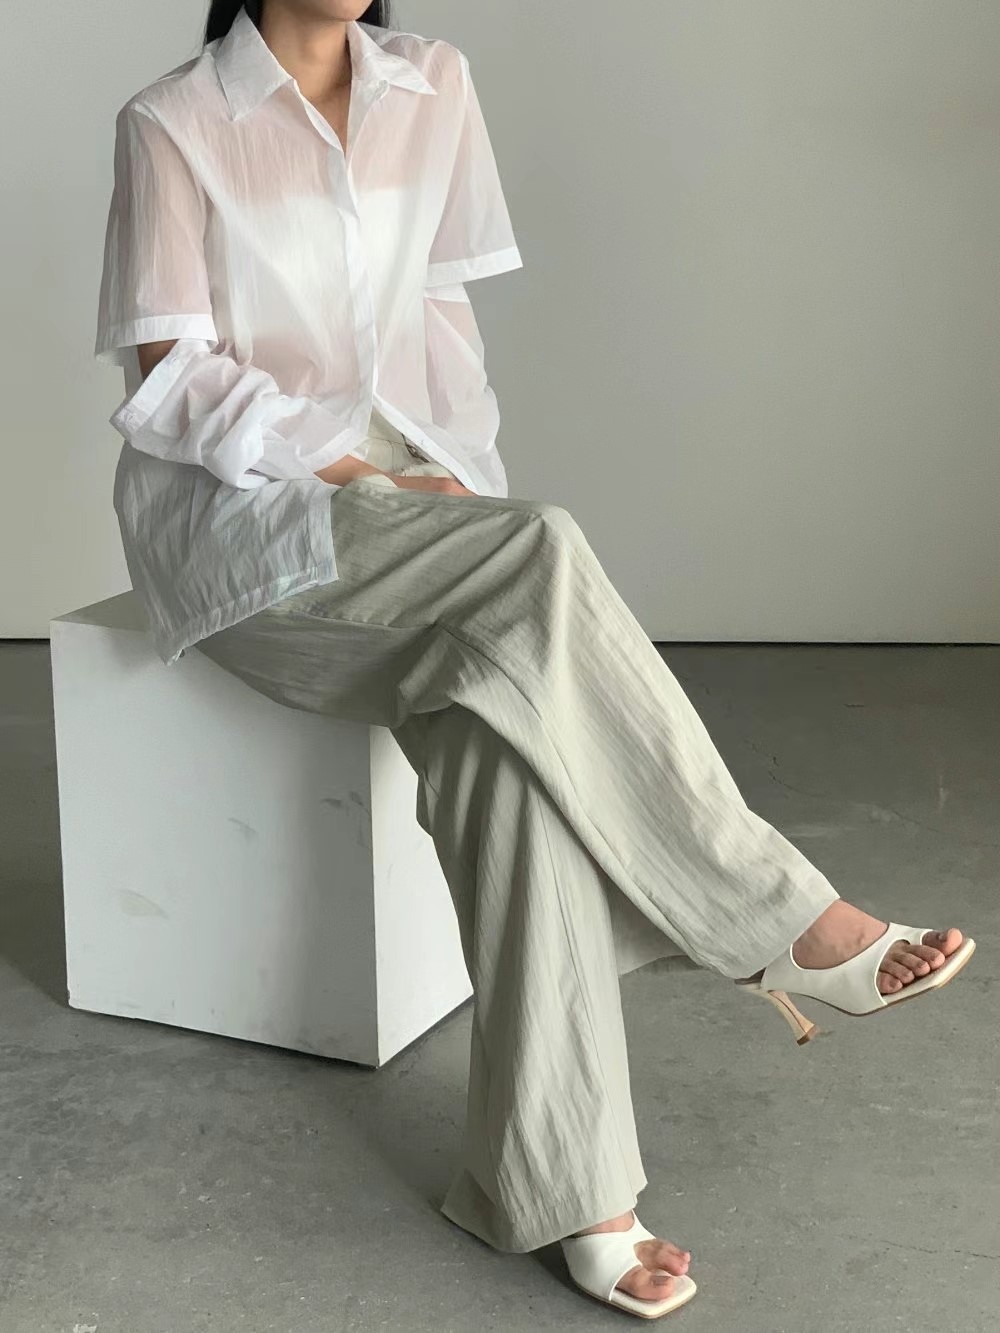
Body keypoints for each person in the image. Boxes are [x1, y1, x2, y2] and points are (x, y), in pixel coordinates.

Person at [93, 1, 974, 1319]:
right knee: (543, 550)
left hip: (418, 513)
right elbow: (170, 376)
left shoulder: (432, 84)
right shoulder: (174, 120)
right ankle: (771, 914)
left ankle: (570, 1193)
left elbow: (440, 317)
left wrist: (453, 487)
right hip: (245, 532)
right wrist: (355, 475)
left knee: (499, 730)